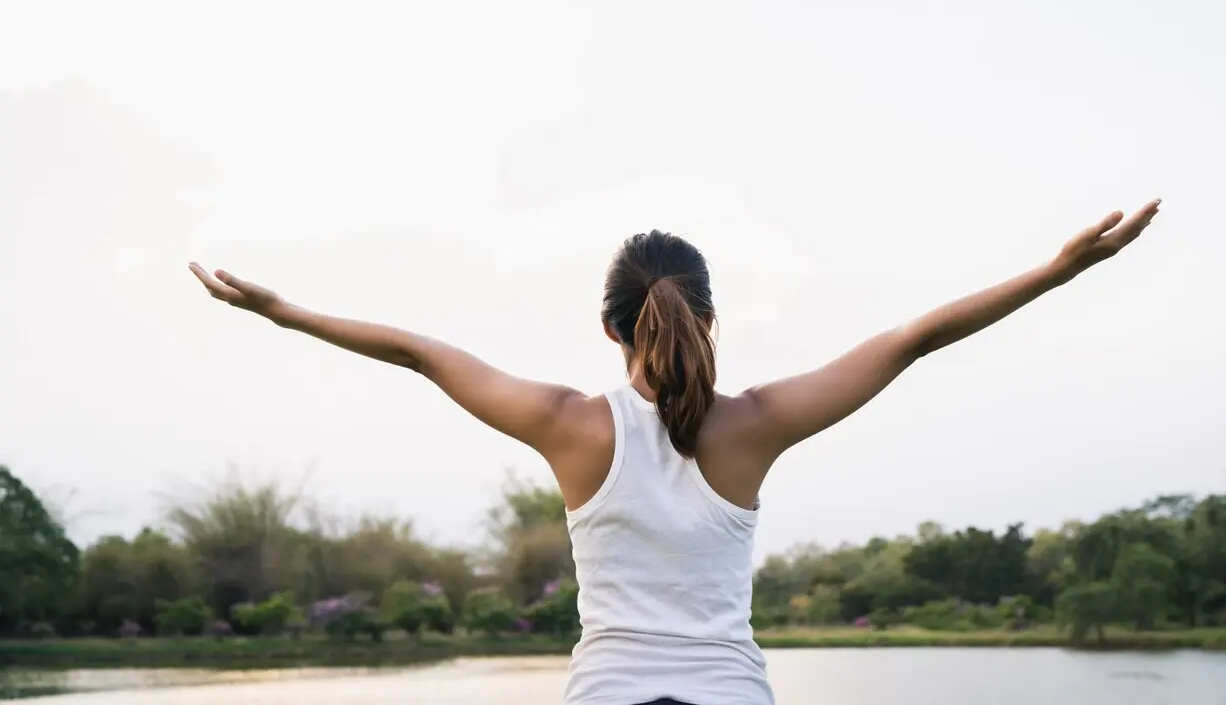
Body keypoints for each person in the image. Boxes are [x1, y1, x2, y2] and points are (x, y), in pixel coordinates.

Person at [188, 199, 1160, 705]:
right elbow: (912, 340)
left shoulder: (568, 423)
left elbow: (419, 352)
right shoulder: (757, 423)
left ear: (610, 326)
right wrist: (1057, 270)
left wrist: (285, 312)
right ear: (709, 317)